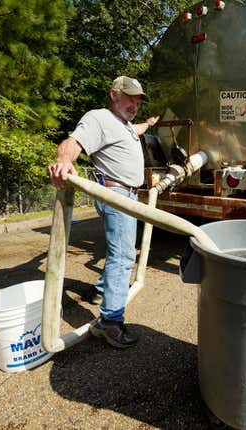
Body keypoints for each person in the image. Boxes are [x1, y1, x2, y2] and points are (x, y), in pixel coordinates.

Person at [48, 76, 159, 348]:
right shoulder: (99, 119)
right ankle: (110, 323)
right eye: (130, 97)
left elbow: (138, 130)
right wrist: (63, 162)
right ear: (114, 94)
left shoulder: (127, 125)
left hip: (128, 196)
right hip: (116, 194)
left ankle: (101, 291)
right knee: (122, 257)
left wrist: (150, 124)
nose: (135, 103)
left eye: (138, 99)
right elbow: (72, 143)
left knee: (119, 252)